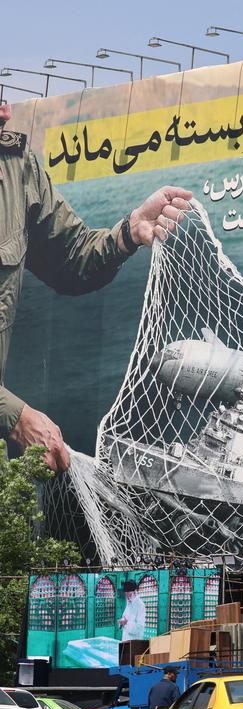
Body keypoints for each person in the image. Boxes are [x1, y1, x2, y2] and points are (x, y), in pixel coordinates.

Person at [0, 102, 192, 471]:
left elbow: (70, 258)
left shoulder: (16, 168)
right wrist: (14, 416)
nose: (6, 114)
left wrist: (128, 232)